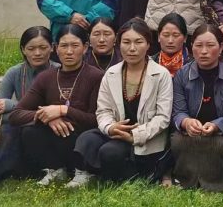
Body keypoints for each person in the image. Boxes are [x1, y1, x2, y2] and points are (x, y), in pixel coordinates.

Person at [73, 18, 173, 185]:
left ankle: (126, 176)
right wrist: (111, 127)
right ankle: (95, 172)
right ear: (119, 44)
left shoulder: (161, 74)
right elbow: (103, 111)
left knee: (109, 151)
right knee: (86, 139)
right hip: (117, 132)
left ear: (148, 44)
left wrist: (134, 135)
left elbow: (163, 118)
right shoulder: (112, 73)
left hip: (145, 136)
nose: (132, 48)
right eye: (126, 42)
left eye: (138, 42)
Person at [10, 25, 104, 186]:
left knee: (87, 136)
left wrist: (64, 110)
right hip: (57, 138)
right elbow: (16, 114)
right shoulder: (46, 78)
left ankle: (84, 172)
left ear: (85, 47)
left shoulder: (97, 76)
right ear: (55, 48)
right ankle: (56, 169)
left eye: (75, 46)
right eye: (64, 46)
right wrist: (47, 117)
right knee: (29, 131)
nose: (69, 52)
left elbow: (97, 119)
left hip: (83, 137)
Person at [169, 23, 223, 191]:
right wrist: (186, 122)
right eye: (198, 46)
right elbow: (178, 111)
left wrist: (216, 125)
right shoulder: (182, 75)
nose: (204, 51)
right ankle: (186, 179)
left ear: (221, 48)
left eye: (210, 45)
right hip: (193, 130)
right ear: (191, 48)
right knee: (177, 140)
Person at [0, 26, 57, 185]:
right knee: (5, 122)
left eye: (43, 48)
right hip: (28, 119)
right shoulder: (15, 72)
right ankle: (3, 174)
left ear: (52, 48)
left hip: (51, 122)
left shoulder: (59, 70)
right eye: (31, 48)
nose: (37, 53)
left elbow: (56, 107)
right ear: (23, 50)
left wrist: (12, 104)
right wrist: (22, 111)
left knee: (21, 123)